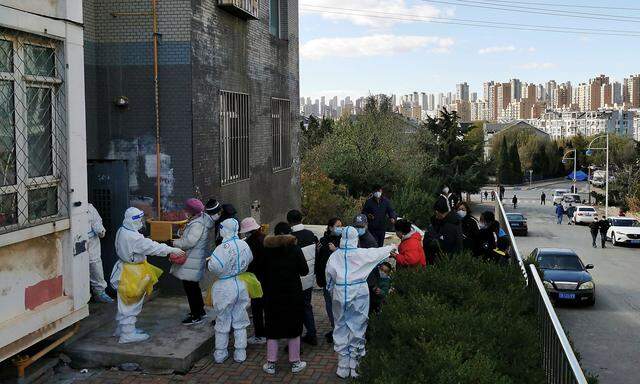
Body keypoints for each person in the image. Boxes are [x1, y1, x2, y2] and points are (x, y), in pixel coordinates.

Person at [326, 226, 396, 379]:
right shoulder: (360, 253)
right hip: (358, 293)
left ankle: (342, 366)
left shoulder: (335, 256)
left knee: (340, 326)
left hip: (339, 292)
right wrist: (391, 246)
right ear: (355, 239)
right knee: (357, 326)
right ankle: (355, 365)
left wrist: (332, 292)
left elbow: (329, 277)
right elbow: (376, 253)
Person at [110, 207, 184, 344]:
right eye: (139, 219)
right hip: (132, 274)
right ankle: (127, 334)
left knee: (124, 301)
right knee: (132, 304)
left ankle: (122, 329)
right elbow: (153, 247)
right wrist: (173, 250)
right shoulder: (134, 238)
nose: (141, 222)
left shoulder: (122, 230)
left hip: (123, 270)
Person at [261, 222, 308, 375]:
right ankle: (295, 362)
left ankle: (271, 363)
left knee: (272, 327)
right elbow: (304, 270)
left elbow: (261, 272)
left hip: (272, 294)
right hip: (292, 293)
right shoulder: (295, 248)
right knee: (294, 327)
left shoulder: (267, 250)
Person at [207, 218, 253, 363]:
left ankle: (220, 353)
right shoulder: (244, 244)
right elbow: (250, 258)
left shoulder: (221, 248)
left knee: (222, 319)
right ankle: (240, 353)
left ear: (225, 229)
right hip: (241, 283)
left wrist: (209, 263)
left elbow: (214, 267)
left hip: (224, 287)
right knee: (240, 318)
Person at [170, 198, 213, 325]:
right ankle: (200, 311)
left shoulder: (197, 224)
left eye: (187, 209)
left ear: (192, 212)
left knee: (190, 288)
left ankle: (196, 315)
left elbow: (189, 242)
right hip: (193, 259)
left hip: (192, 260)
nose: (185, 211)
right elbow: (187, 236)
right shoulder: (198, 220)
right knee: (193, 287)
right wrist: (181, 231)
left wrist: (173, 243)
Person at [287, 209, 319, 346]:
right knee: (307, 306)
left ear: (289, 221)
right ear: (302, 219)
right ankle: (312, 334)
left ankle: (295, 340)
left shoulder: (289, 238)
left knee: (293, 310)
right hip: (309, 277)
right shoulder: (311, 235)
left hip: (294, 281)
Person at [240, 217, 267, 345]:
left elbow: (247, 262)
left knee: (256, 307)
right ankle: (269, 332)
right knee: (266, 305)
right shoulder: (265, 238)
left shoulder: (249, 242)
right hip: (267, 276)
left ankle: (260, 334)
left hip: (254, 277)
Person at [315, 218, 342, 344]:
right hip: (327, 280)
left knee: (339, 304)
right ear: (330, 227)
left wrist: (336, 250)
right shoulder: (323, 241)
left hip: (339, 279)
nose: (340, 228)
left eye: (341, 226)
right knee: (330, 304)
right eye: (337, 226)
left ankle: (340, 329)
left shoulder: (343, 241)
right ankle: (335, 328)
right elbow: (320, 262)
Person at [353, 214, 382, 315]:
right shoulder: (356, 237)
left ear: (366, 225)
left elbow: (372, 263)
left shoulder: (370, 241)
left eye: (361, 226)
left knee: (369, 309)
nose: (358, 228)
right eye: (356, 226)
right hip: (361, 278)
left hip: (369, 280)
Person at [87, 203, 113, 303]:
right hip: (76, 240)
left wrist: (100, 230)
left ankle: (99, 293)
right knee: (78, 269)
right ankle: (84, 295)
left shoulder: (89, 208)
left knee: (95, 266)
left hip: (91, 241)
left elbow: (97, 222)